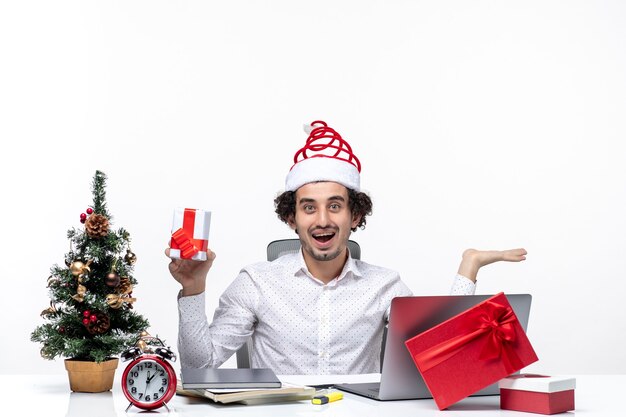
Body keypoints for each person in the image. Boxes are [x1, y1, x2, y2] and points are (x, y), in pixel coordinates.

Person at [166, 120, 527, 375]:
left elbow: (443, 356)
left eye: (335, 206)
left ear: (355, 216)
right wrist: (193, 288)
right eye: (309, 207)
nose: (323, 219)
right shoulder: (256, 282)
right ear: (292, 219)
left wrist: (470, 267)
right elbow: (200, 367)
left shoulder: (385, 286)